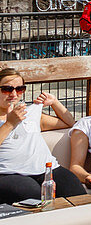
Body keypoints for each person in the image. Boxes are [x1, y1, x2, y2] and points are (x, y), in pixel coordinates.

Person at [0, 68, 85, 204]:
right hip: (8, 173)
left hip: (47, 170)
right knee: (32, 197)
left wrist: (55, 103)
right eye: (7, 89)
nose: (14, 94)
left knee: (77, 195)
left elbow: (69, 123)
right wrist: (9, 123)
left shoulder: (30, 114)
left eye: (20, 89)